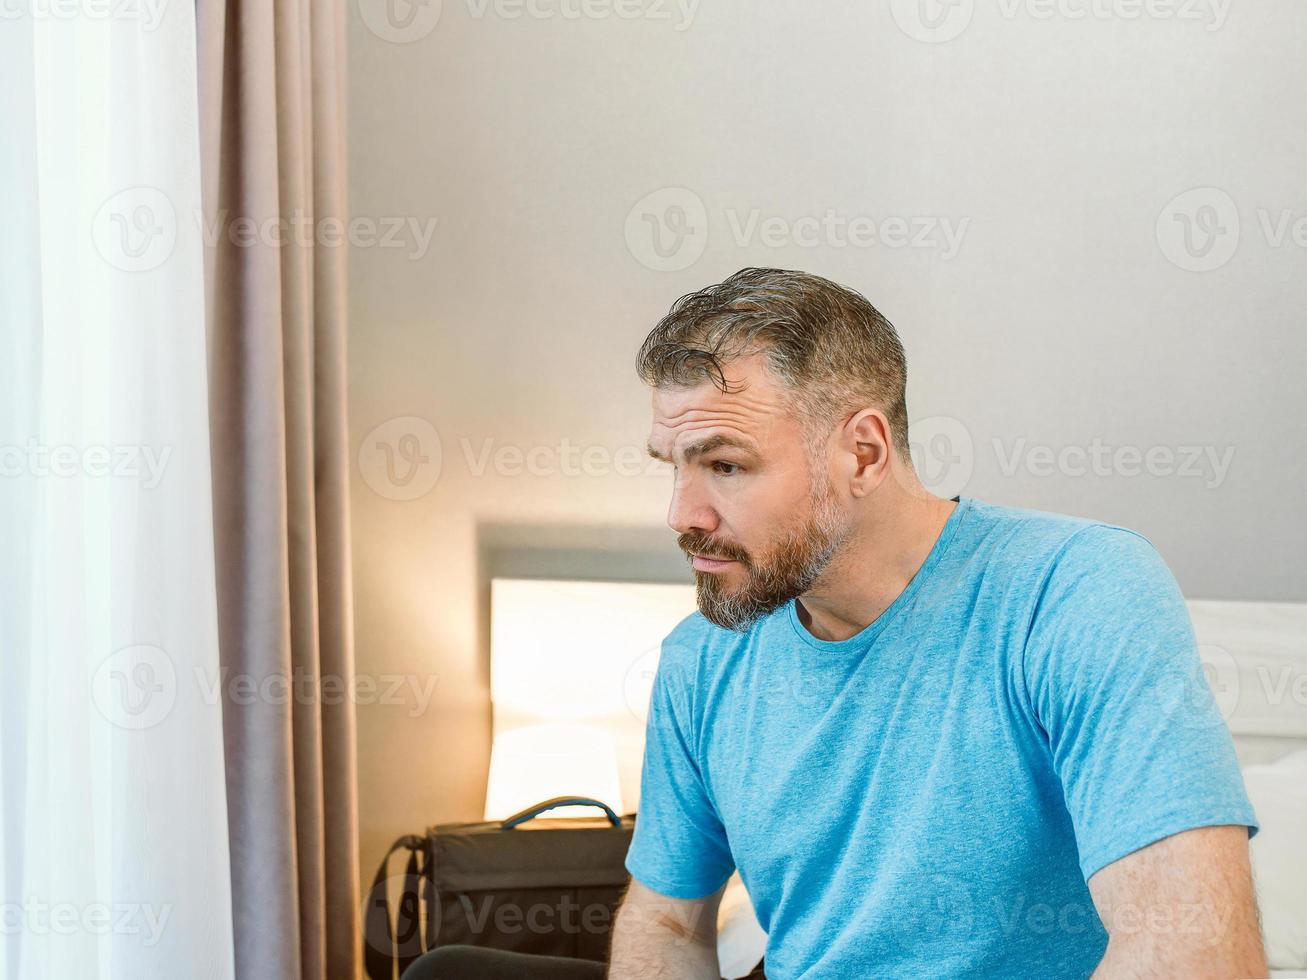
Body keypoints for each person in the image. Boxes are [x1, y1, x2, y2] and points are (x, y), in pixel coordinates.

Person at [608, 268, 1264, 978]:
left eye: (726, 466)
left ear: (862, 452)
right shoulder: (702, 660)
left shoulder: (1073, 593)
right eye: (673, 467)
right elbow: (666, 923)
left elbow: (1192, 951)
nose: (681, 515)